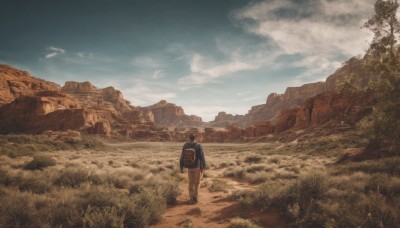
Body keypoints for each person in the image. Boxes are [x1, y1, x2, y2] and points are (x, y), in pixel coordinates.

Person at [180, 133, 206, 204]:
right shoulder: (198, 145)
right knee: (197, 183)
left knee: (190, 183)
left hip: (189, 167)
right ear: (195, 138)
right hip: (197, 167)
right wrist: (203, 167)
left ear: (189, 138)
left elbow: (182, 156)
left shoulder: (185, 145)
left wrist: (181, 166)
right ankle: (196, 198)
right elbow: (202, 157)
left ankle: (191, 198)